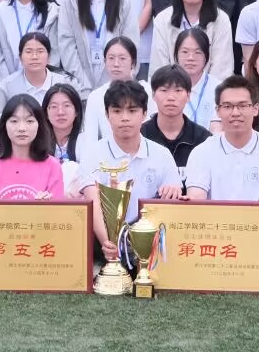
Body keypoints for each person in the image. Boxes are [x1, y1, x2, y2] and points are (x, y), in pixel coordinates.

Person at [74, 81, 181, 260]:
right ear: (107, 115)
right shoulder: (93, 153)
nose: (124, 118)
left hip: (149, 244)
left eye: (132, 111)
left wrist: (173, 191)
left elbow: (172, 198)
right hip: (102, 244)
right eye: (117, 111)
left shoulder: (161, 154)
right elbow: (93, 202)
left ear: (144, 113)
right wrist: (108, 242)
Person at [183, 76, 259, 202]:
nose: (235, 113)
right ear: (217, 111)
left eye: (242, 106)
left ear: (255, 109)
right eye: (227, 106)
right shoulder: (202, 152)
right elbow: (196, 200)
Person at [52, 0, 131, 92]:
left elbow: (130, 42)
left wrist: (114, 81)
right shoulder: (71, 0)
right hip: (79, 82)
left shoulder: (123, 0)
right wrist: (83, 84)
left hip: (115, 84)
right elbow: (67, 44)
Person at [0, 93, 67, 199]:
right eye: (14, 121)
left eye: (29, 121)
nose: (22, 128)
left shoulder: (52, 166)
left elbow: (57, 208)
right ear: (4, 126)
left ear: (39, 125)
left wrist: (45, 206)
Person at [142, 64, 211, 166]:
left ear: (188, 95)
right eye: (164, 90)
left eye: (178, 90)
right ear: (153, 95)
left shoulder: (203, 139)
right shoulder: (140, 135)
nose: (171, 97)